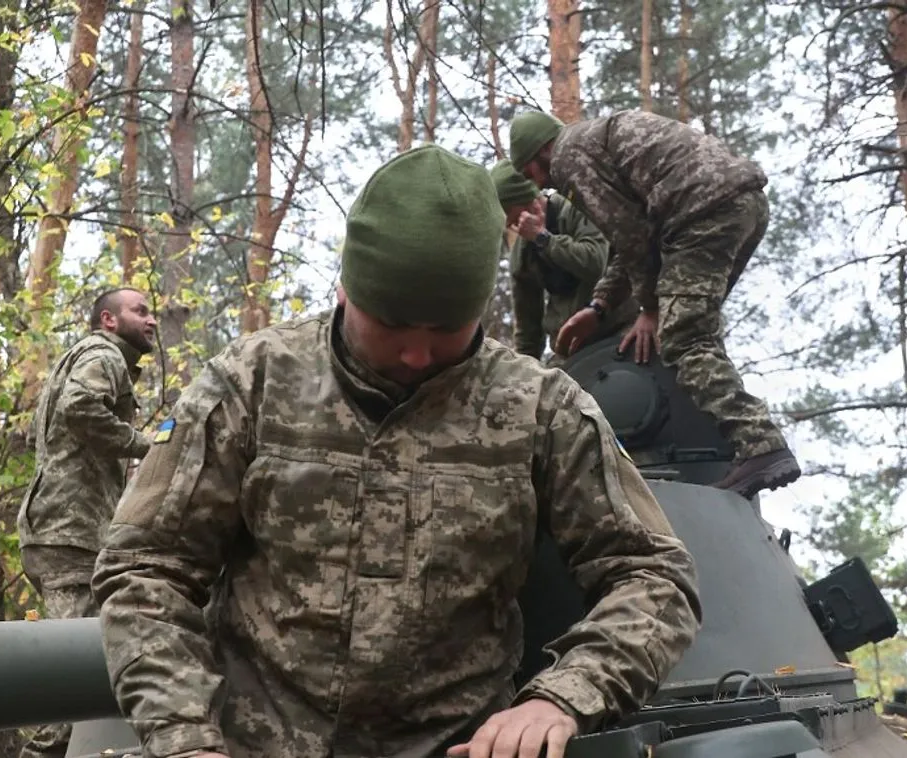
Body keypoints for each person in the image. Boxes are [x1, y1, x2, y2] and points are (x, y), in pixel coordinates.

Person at [91, 145, 702, 758]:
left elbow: (655, 576)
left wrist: (564, 695)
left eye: (444, 333)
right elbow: (146, 567)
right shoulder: (252, 383)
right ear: (346, 290)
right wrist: (183, 736)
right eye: (390, 326)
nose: (415, 355)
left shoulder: (542, 409)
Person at [506, 108, 801, 499]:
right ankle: (748, 445)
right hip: (738, 204)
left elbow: (631, 237)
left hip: (700, 214)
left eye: (531, 173)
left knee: (682, 338)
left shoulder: (569, 155)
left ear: (541, 151)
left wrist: (649, 309)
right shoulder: (592, 141)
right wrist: (599, 307)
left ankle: (761, 445)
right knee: (695, 329)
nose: (540, 184)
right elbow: (631, 237)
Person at [16, 286, 157, 758]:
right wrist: (144, 445)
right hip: (67, 534)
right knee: (70, 676)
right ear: (109, 320)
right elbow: (80, 407)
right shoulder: (103, 354)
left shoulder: (88, 357)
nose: (152, 319)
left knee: (91, 662)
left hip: (67, 532)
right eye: (140, 311)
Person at [489, 159, 638, 365]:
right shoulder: (522, 254)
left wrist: (543, 239)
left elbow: (594, 263)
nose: (510, 225)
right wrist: (524, 370)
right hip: (570, 349)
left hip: (618, 329)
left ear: (523, 200)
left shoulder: (576, 207)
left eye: (510, 216)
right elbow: (528, 327)